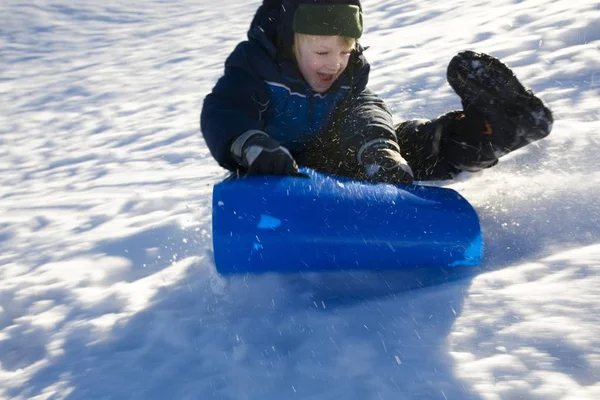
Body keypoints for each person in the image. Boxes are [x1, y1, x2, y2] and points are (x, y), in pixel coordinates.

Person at [200, 0, 553, 184]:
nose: (334, 64)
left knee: (407, 152)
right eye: (322, 53)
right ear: (290, 44)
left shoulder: (347, 77)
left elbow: (364, 109)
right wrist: (250, 144)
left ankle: (491, 132)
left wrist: (380, 148)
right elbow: (225, 110)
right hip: (280, 174)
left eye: (344, 52)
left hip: (341, 160)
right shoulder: (256, 71)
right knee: (355, 169)